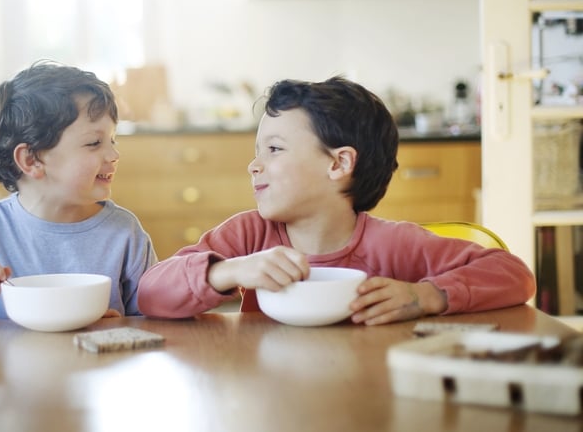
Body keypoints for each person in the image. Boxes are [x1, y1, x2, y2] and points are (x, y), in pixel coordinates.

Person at [137, 76, 535, 326]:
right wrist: (228, 271)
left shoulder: (393, 245)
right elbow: (151, 293)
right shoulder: (247, 237)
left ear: (339, 163)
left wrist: (425, 296)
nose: (253, 165)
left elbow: (513, 275)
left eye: (274, 149)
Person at [0, 61, 157, 322]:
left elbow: (153, 320)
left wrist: (121, 324)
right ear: (31, 160)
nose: (114, 154)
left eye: (112, 140)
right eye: (94, 143)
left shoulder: (125, 232)